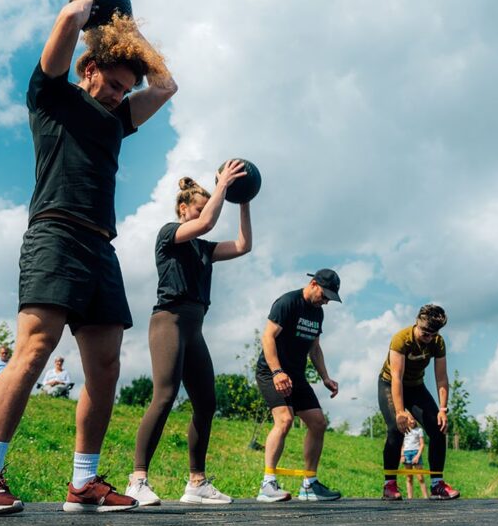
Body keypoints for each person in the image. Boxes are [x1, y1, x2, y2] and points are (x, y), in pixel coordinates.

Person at [0, 0, 177, 516]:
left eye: (125, 89)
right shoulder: (51, 98)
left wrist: (128, 33)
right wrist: (85, 4)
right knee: (35, 347)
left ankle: (83, 483)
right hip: (55, 233)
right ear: (90, 69)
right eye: (113, 84)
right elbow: (64, 25)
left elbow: (166, 86)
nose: (120, 95)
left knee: (105, 366)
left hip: (100, 247)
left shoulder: (117, 120)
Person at [125, 168, 253, 506]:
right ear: (184, 209)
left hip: (195, 328)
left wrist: (243, 201)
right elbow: (207, 223)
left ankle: (197, 482)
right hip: (169, 321)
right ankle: (137, 480)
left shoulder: (204, 248)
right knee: (165, 396)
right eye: (199, 208)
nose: (204, 214)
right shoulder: (169, 234)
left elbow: (243, 245)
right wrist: (223, 185)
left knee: (206, 403)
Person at [255, 270, 342, 503]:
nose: (326, 302)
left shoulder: (318, 313)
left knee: (318, 423)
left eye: (330, 299)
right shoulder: (287, 302)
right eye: (324, 296)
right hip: (271, 372)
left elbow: (315, 348)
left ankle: (310, 484)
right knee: (285, 420)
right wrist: (277, 372)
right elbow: (268, 337)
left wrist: (325, 377)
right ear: (313, 284)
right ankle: (267, 484)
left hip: (296, 375)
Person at [379, 304, 460, 501]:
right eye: (425, 333)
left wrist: (443, 409)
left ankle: (437, 485)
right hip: (390, 384)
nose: (429, 338)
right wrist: (400, 412)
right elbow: (397, 378)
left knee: (438, 428)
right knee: (396, 429)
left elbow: (441, 378)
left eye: (433, 334)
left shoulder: (437, 342)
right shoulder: (401, 339)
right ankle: (389, 485)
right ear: (417, 322)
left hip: (416, 387)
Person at [401, 420, 429, 500]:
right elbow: (402, 444)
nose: (412, 421)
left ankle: (426, 498)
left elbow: (422, 444)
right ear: (407, 420)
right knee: (409, 477)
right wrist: (402, 455)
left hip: (416, 453)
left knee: (420, 477)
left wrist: (417, 456)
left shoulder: (419, 430)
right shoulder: (404, 430)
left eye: (414, 419)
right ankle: (410, 498)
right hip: (406, 453)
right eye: (410, 419)